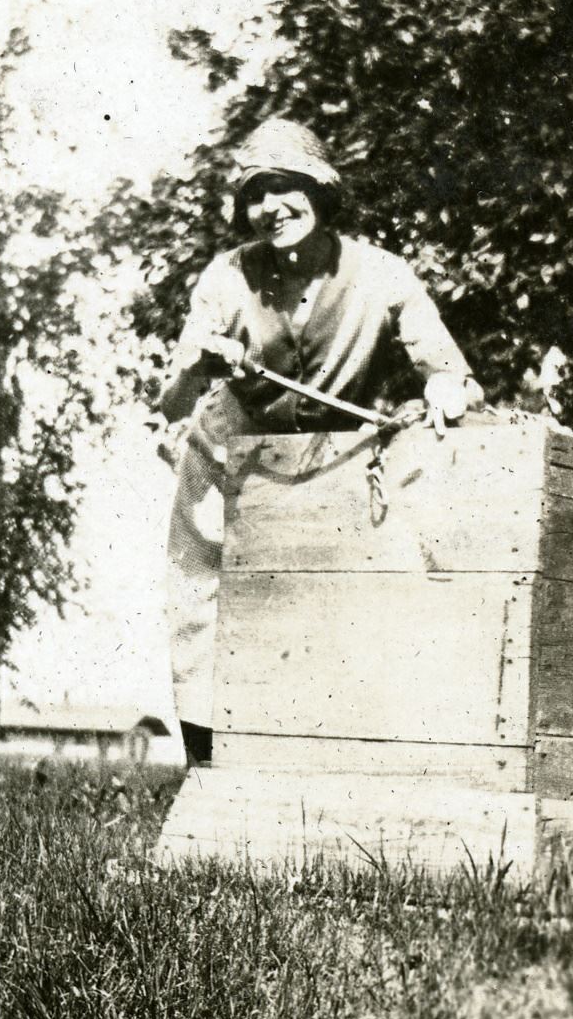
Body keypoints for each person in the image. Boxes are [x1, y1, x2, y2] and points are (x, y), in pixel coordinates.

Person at [157, 117, 481, 763]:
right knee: (201, 605)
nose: (270, 208)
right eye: (255, 194)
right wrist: (199, 364)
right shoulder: (226, 277)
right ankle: (205, 770)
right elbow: (172, 400)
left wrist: (447, 388)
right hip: (227, 459)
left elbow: (451, 371)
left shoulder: (383, 274)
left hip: (332, 460)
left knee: (340, 607)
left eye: (286, 187)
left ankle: (323, 767)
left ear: (321, 190)